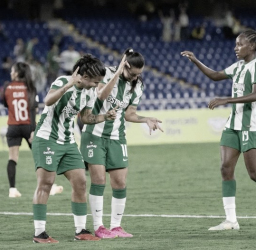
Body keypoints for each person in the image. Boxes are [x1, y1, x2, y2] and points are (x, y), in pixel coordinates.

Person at [31, 54, 118, 243]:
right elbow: (47, 101)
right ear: (85, 77)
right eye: (95, 82)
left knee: (80, 182)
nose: (97, 86)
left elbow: (85, 118)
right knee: (46, 183)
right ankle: (39, 232)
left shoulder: (88, 93)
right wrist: (68, 85)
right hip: (47, 139)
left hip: (68, 142)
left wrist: (105, 117)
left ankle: (81, 230)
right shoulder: (63, 81)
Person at [80, 48, 163, 238]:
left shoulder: (138, 86)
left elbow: (129, 114)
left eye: (139, 74)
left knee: (119, 182)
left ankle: (116, 226)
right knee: (99, 180)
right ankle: (99, 226)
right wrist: (117, 74)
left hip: (117, 137)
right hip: (95, 133)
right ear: (124, 66)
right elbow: (100, 95)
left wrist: (145, 119)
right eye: (133, 73)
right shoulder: (105, 73)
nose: (136, 78)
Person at [181, 29, 256, 231]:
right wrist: (196, 61)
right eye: (235, 44)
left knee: (254, 174)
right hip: (233, 125)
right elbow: (215, 75)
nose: (236, 48)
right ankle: (231, 220)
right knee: (225, 168)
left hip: (251, 126)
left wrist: (226, 100)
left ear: (253, 46)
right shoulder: (239, 66)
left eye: (240, 44)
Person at [1, 62, 38, 198]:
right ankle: (48, 186)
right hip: (28, 126)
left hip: (13, 126)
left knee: (13, 158)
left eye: (12, 71)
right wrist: (33, 130)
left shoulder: (6, 87)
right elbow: (33, 110)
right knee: (39, 157)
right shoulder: (30, 87)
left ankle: (12, 190)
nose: (11, 73)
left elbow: (5, 103)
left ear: (16, 73)